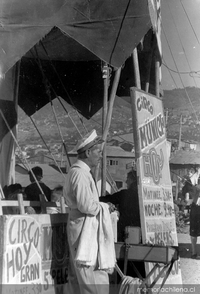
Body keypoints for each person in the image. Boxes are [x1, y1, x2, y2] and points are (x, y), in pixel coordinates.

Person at [63, 129, 115, 294]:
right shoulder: (79, 174)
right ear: (87, 152)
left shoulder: (82, 173)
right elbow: (86, 206)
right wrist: (106, 207)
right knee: (91, 281)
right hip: (83, 231)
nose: (100, 156)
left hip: (85, 229)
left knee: (88, 279)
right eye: (98, 152)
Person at [99, 170, 140, 242]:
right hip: (140, 231)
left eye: (128, 179)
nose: (126, 182)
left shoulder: (125, 194)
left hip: (124, 230)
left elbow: (109, 198)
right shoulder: (142, 195)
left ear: (132, 180)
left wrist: (95, 199)